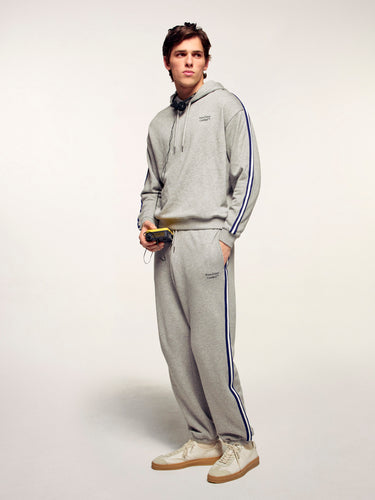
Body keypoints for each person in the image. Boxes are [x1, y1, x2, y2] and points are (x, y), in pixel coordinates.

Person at [137, 22, 261, 484]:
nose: (188, 61)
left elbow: (248, 175)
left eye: (196, 54)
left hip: (208, 240)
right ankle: (202, 437)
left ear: (206, 62)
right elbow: (152, 186)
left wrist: (227, 236)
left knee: (211, 348)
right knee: (176, 348)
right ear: (167, 62)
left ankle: (239, 443)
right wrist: (145, 223)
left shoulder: (227, 107)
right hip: (167, 244)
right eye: (180, 54)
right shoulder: (159, 123)